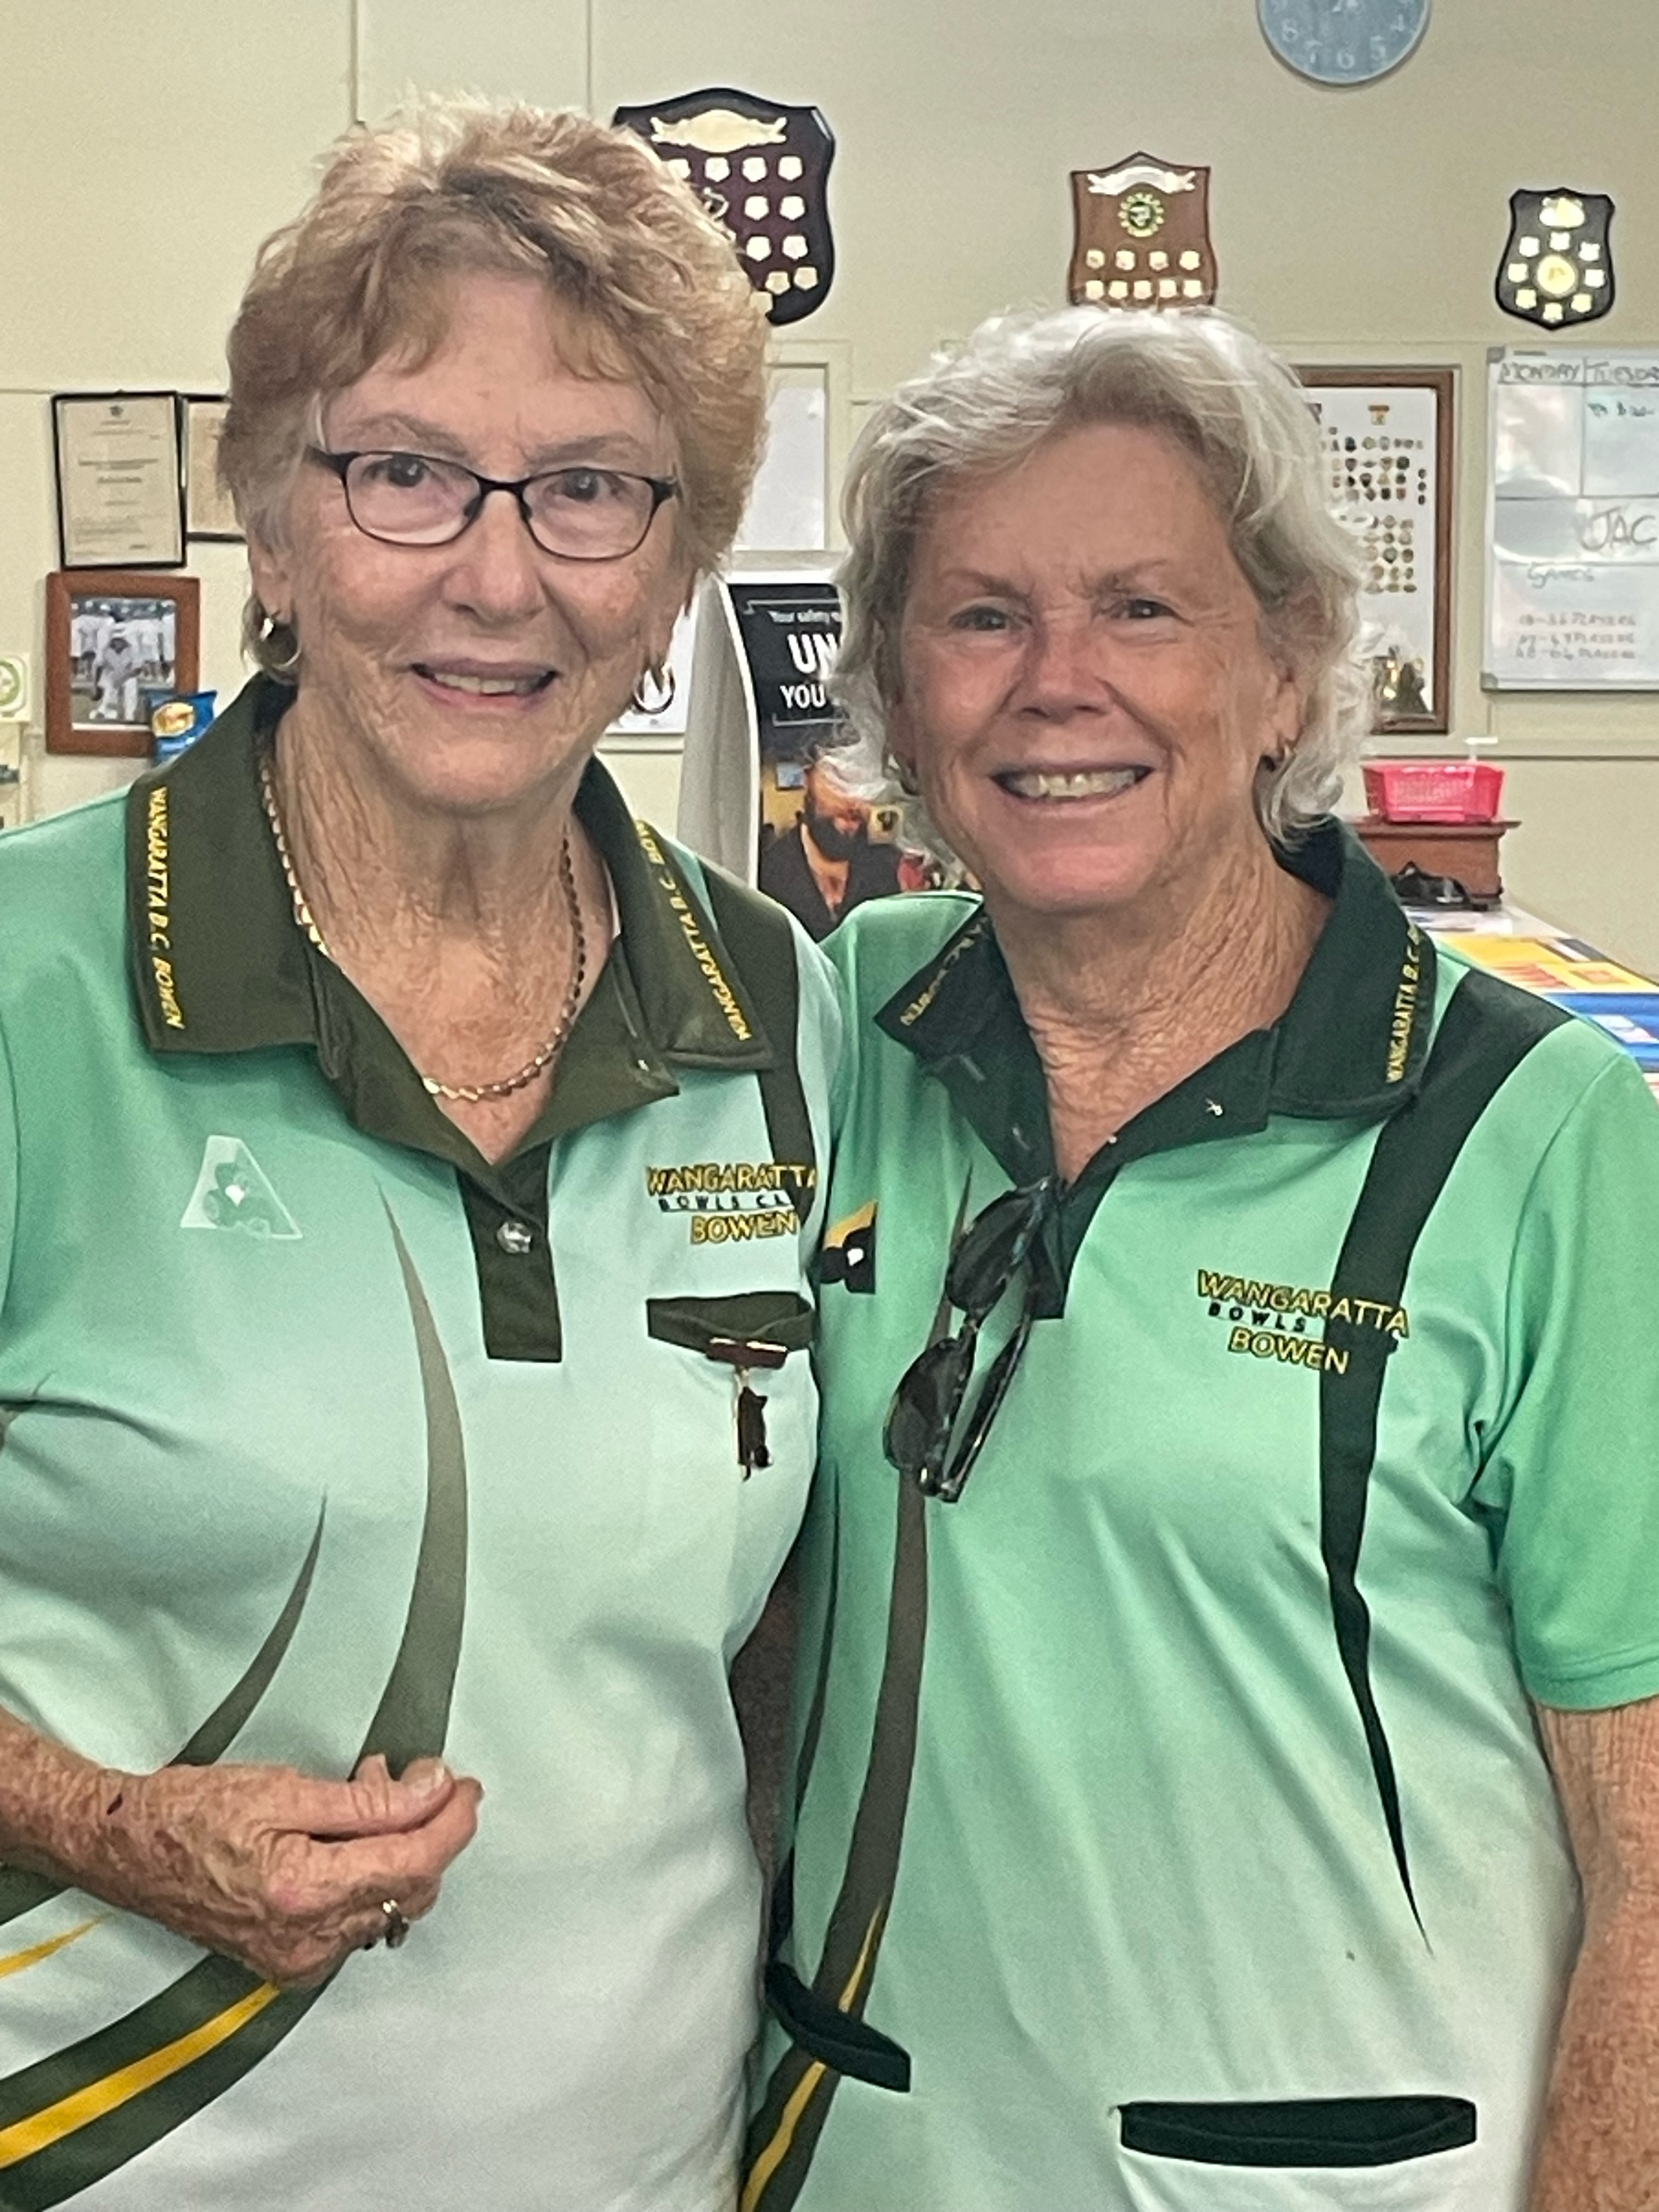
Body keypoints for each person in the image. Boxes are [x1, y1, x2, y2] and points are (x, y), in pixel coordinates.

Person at [0, 100, 837, 2211]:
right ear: (272, 529)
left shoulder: (775, 1007)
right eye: (402, 470)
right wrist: (97, 1818)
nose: (494, 570)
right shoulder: (30, 990)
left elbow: (757, 1643)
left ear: (674, 574)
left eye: (590, 488)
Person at [743, 307, 1659, 2212]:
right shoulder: (843, 1029)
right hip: (861, 2156)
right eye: (981, 616)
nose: (1056, 684)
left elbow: (1646, 1853)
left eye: (1141, 609)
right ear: (897, 694)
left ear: (1287, 670)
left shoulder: (1544, 1138)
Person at [759, 747, 905, 940]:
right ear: (809, 778)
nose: (853, 800)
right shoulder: (767, 873)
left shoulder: (890, 871)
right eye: (839, 780)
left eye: (864, 784)